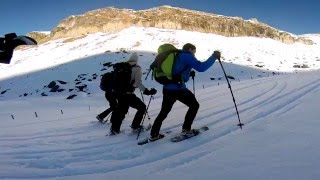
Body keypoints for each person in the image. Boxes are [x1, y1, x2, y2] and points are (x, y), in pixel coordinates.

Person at [149, 43, 221, 141]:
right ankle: (186, 129)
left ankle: (154, 134)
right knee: (194, 105)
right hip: (179, 89)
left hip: (167, 88)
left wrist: (187, 73)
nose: (194, 54)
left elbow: (175, 71)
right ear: (190, 49)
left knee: (164, 112)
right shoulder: (187, 56)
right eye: (194, 52)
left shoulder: (176, 55)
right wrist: (213, 57)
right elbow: (201, 67)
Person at [109, 52, 157, 135]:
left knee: (121, 111)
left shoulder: (122, 66)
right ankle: (135, 126)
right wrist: (147, 91)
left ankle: (114, 130)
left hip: (118, 93)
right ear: (137, 59)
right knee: (142, 107)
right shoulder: (137, 68)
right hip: (128, 94)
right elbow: (137, 83)